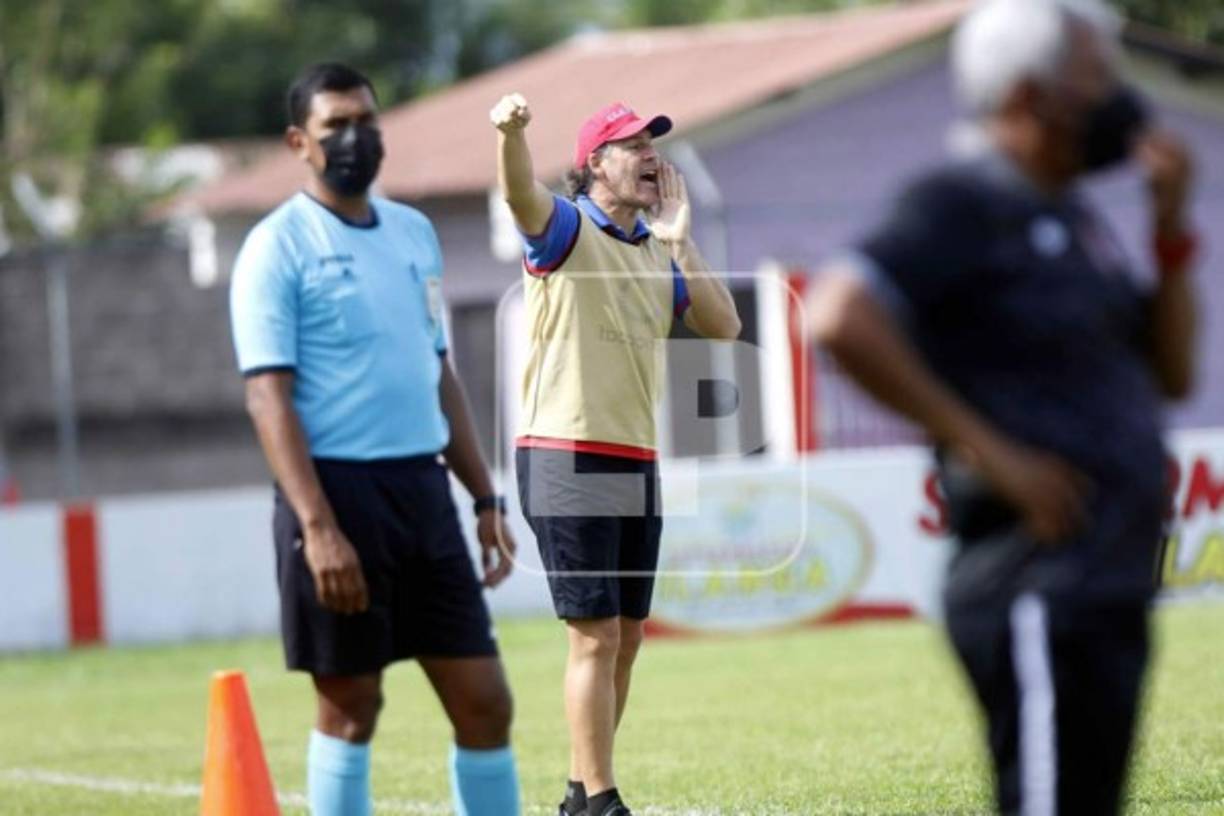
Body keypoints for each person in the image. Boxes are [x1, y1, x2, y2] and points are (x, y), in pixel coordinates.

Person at [807, 0, 1198, 813]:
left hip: (1108, 577)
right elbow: (840, 315)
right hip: (1036, 579)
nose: (1118, 97)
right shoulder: (962, 200)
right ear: (1030, 96)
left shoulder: (1076, 219)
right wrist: (993, 453)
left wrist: (1168, 227)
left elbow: (1172, 373)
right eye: (1096, 76)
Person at [230, 63, 521, 816]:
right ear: (301, 142)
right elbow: (268, 397)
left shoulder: (414, 233)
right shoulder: (275, 247)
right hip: (336, 495)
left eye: (367, 119)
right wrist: (320, 529)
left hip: (423, 493)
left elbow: (437, 371)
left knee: (485, 703)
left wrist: (484, 496)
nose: (358, 137)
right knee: (352, 705)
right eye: (337, 126)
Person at [490, 94, 741, 816]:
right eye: (632, 145)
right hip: (567, 453)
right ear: (595, 164)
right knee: (595, 634)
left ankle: (578, 790)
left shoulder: (654, 252)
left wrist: (681, 238)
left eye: (652, 144)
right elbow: (517, 191)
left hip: (633, 458)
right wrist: (511, 135)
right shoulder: (567, 229)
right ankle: (601, 800)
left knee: (626, 636)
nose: (650, 156)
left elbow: (724, 325)